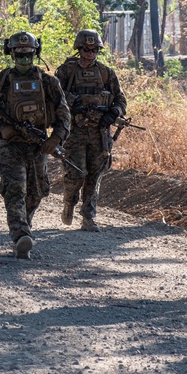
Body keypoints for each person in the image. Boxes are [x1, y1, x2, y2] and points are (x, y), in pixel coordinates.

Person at [0, 32, 71, 260]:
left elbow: (64, 114)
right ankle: (20, 234)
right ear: (11, 54)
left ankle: (25, 223)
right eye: (19, 55)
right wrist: (1, 130)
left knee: (36, 192)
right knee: (14, 188)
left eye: (28, 55)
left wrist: (56, 138)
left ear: (35, 54)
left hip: (38, 146)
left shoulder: (49, 82)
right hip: (10, 146)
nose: (24, 60)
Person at [54, 29, 127, 232]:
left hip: (99, 132)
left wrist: (113, 112)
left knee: (95, 175)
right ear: (79, 49)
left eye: (94, 50)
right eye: (86, 49)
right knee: (76, 173)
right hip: (74, 131)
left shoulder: (105, 73)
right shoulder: (66, 72)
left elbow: (121, 99)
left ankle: (88, 217)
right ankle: (69, 203)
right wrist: (72, 102)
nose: (90, 54)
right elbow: (52, 95)